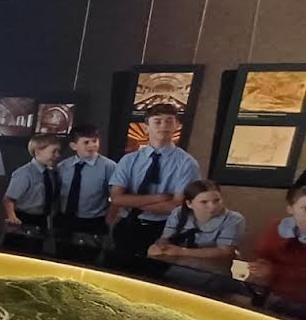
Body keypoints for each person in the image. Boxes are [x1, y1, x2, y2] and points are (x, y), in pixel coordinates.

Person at [110, 104, 201, 256]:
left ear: (177, 125)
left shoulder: (187, 163)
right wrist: (159, 198)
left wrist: (131, 202)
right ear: (146, 127)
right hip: (127, 226)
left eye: (169, 121)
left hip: (164, 230)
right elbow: (117, 198)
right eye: (157, 121)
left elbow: (177, 207)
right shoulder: (128, 160)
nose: (163, 126)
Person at [148, 179, 244, 262]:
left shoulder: (233, 219)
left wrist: (182, 252)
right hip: (178, 266)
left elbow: (225, 252)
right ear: (189, 204)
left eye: (217, 200)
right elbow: (166, 238)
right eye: (204, 202)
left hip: (213, 270)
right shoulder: (178, 213)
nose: (212, 206)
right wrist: (161, 246)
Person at [248, 184, 306, 319]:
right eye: (305, 209)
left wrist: (274, 270)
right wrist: (260, 267)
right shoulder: (277, 228)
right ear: (290, 209)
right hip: (277, 295)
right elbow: (262, 254)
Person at [55, 124, 118, 238]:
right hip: (65, 219)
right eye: (86, 142)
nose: (92, 145)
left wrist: (110, 218)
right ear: (73, 146)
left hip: (94, 222)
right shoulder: (63, 166)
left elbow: (116, 197)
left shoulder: (109, 167)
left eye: (95, 141)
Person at [4, 134, 63, 230]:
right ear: (38, 152)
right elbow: (9, 199)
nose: (58, 155)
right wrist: (12, 217)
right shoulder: (24, 173)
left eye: (58, 152)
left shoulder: (51, 174)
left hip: (43, 220)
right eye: (53, 151)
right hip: (23, 218)